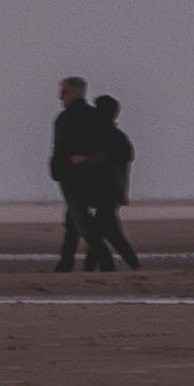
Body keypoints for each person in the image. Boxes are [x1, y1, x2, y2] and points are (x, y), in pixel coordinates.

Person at [49, 73, 106, 270]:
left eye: (63, 92)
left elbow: (61, 147)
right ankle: (65, 262)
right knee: (73, 222)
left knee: (81, 222)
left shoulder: (67, 118)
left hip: (73, 176)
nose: (60, 97)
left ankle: (105, 262)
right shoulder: (95, 116)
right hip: (90, 175)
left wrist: (64, 165)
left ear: (75, 93)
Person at [82, 92, 144, 272]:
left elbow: (106, 160)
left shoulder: (110, 136)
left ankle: (129, 266)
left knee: (110, 233)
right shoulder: (115, 136)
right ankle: (98, 267)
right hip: (111, 192)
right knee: (106, 231)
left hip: (107, 192)